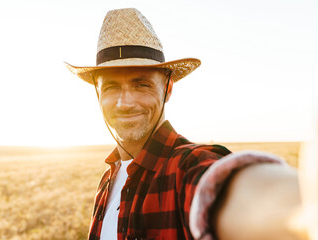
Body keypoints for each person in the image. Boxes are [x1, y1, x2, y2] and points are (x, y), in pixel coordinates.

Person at [66, 8, 306, 240]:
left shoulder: (189, 167)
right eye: (111, 86)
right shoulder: (108, 181)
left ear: (167, 89)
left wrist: (301, 208)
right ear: (98, 95)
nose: (125, 102)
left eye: (142, 84)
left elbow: (229, 190)